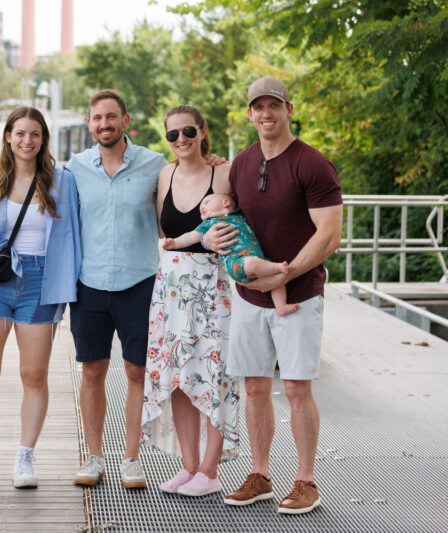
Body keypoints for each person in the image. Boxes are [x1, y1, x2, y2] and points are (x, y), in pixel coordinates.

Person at [204, 77, 342, 514]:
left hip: (298, 294)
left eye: (274, 106)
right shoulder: (240, 166)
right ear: (249, 113)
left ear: (288, 109)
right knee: (255, 387)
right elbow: (222, 219)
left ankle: (306, 481)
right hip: (248, 297)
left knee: (298, 388)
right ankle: (260, 475)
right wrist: (213, 244)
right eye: (258, 107)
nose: (266, 114)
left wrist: (284, 274)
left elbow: (330, 235)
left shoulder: (313, 164)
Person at [0, 106, 81, 490]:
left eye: (35, 134)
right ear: (8, 136)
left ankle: (25, 457)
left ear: (44, 138)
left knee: (33, 375)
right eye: (20, 133)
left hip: (41, 281)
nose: (27, 141)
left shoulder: (62, 180)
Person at [68, 89, 168, 489]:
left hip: (139, 281)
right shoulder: (74, 168)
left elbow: (183, 194)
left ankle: (131, 458)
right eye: (97, 118)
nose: (105, 124)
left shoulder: (155, 165)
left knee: (136, 371)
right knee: (92, 371)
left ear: (126, 120)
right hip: (89, 283)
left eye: (112, 117)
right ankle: (94, 457)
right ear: (89, 123)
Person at [140, 105, 240, 498]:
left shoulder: (224, 173)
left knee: (215, 376)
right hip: (170, 288)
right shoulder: (165, 174)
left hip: (210, 285)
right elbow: (166, 230)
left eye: (187, 131)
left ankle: (211, 471)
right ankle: (189, 465)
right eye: (172, 134)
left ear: (202, 132)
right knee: (180, 377)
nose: (180, 139)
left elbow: (243, 222)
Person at [162, 192, 298, 316]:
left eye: (207, 202)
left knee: (277, 281)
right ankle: (278, 267)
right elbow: (191, 236)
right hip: (237, 263)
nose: (201, 208)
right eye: (200, 210)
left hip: (258, 260)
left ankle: (281, 306)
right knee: (257, 264)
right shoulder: (209, 224)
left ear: (226, 203)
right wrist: (174, 243)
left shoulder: (239, 215)